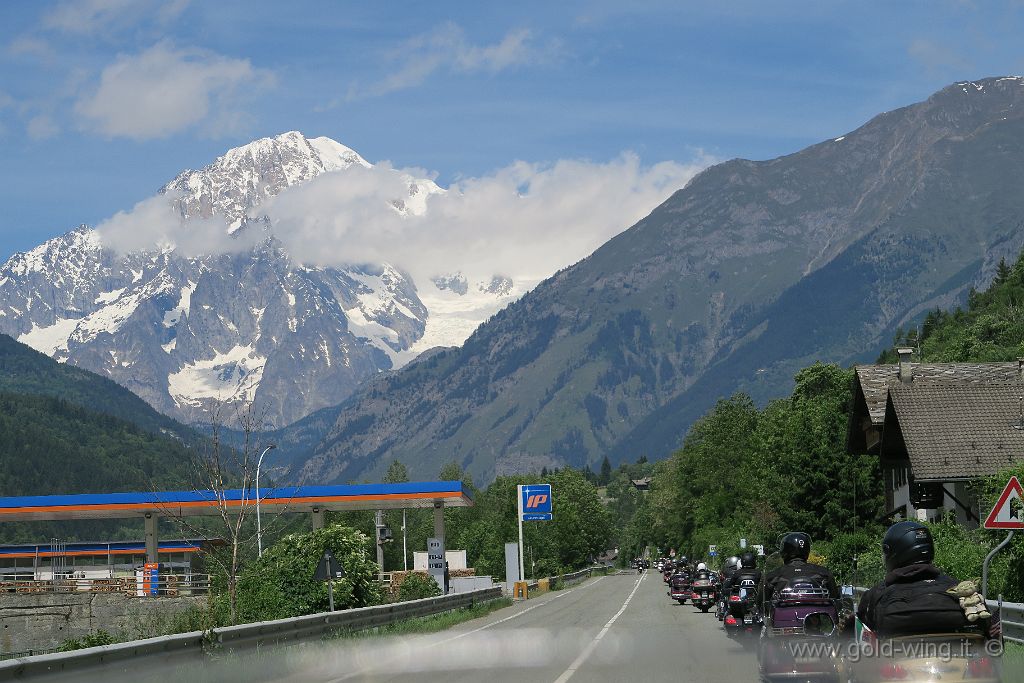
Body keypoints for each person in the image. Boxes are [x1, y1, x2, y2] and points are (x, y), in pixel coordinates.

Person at [857, 521, 972, 637]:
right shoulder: (959, 589)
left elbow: (862, 634)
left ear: (891, 552)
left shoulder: (876, 594)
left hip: (896, 654)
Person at [762, 532, 840, 606]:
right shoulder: (823, 573)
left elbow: (762, 603)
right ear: (807, 550)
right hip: (815, 617)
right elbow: (835, 599)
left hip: (784, 618)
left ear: (784, 551)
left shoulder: (773, 576)